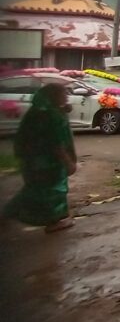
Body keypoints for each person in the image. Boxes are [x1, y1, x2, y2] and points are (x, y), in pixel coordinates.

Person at [2, 84, 77, 232]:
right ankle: (53, 221)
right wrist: (68, 162)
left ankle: (8, 213)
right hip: (47, 162)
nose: (67, 96)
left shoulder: (41, 111)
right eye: (63, 93)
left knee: (34, 189)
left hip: (33, 160)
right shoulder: (50, 115)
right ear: (53, 96)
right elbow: (55, 142)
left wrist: (62, 110)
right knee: (53, 190)